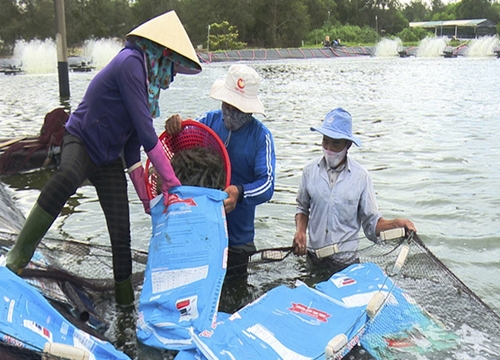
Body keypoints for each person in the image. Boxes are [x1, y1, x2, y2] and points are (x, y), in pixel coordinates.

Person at [2, 10, 202, 306]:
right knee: (67, 177)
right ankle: (17, 258)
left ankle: (124, 305)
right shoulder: (130, 63)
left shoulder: (148, 92)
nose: (171, 77)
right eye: (172, 68)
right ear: (162, 54)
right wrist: (174, 186)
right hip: (81, 140)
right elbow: (149, 137)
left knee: (121, 230)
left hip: (108, 159)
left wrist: (148, 199)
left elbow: (133, 150)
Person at [164, 64, 276, 280]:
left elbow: (267, 184)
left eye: (239, 108)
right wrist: (174, 128)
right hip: (199, 230)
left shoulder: (260, 137)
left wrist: (239, 192)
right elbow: (179, 150)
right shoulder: (209, 121)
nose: (232, 112)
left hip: (237, 240)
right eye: (229, 104)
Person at [293, 108, 416, 275]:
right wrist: (300, 231)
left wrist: (395, 224)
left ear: (348, 145)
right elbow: (302, 208)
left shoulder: (361, 177)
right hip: (314, 259)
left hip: (346, 265)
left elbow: (372, 223)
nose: (329, 148)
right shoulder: (309, 171)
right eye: (325, 141)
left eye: (336, 143)